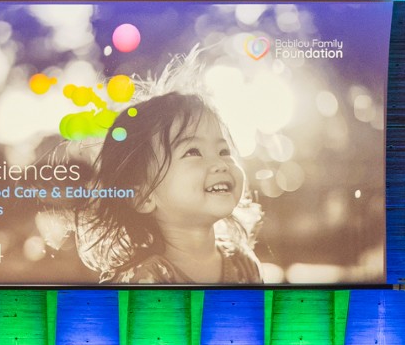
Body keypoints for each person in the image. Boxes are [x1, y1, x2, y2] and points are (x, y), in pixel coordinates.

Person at [71, 92, 263, 285]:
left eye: (224, 151)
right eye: (193, 151)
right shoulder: (145, 279)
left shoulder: (243, 263)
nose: (220, 163)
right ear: (143, 196)